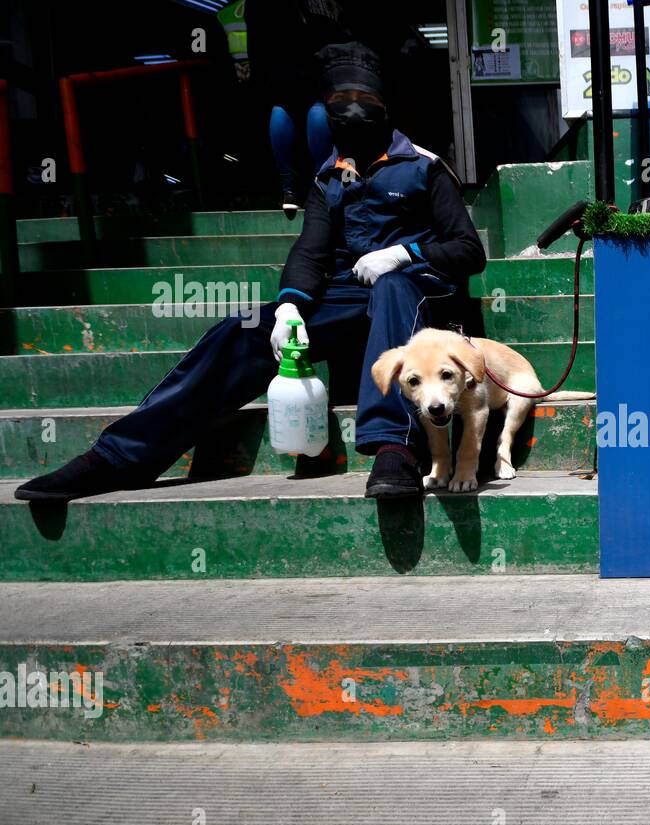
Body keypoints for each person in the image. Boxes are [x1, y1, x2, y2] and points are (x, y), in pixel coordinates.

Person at [15, 43, 487, 503]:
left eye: (364, 101)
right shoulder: (328, 178)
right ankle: (120, 456)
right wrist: (289, 306)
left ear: (385, 106)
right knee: (243, 330)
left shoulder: (425, 168)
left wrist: (404, 254)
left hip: (420, 295)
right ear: (324, 110)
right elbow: (311, 250)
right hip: (349, 299)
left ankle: (394, 448)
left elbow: (468, 250)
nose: (352, 111)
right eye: (340, 102)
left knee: (391, 285)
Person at [245, 0, 351, 216]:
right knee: (318, 104)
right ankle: (322, 184)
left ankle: (289, 190)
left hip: (276, 45)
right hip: (316, 44)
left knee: (282, 104)